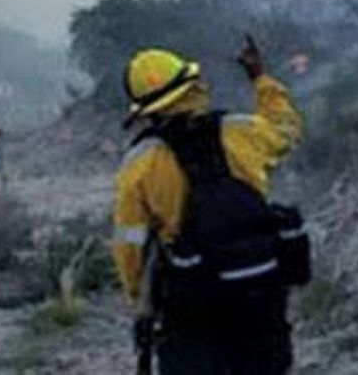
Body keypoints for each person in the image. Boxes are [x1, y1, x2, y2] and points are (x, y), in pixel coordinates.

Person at [112, 37, 304, 375]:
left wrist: (141, 305)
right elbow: (287, 131)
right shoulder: (239, 131)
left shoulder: (138, 164)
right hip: (259, 288)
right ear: (191, 87)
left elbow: (130, 247)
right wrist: (260, 78)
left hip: (193, 300)